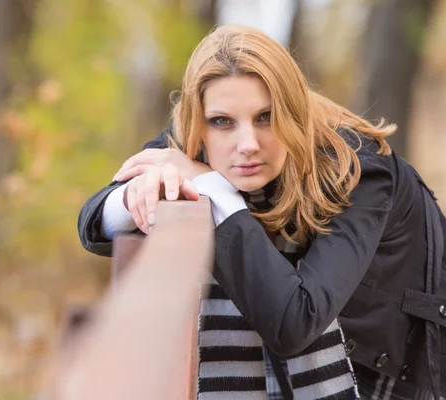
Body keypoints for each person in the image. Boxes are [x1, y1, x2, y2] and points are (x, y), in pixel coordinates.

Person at [77, 24, 446, 400]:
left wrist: (219, 194)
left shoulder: (358, 171)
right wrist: (132, 197)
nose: (247, 144)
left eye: (266, 117)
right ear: (198, 122)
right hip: (286, 369)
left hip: (389, 375)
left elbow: (295, 323)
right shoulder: (194, 136)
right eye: (223, 122)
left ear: (293, 111)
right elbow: (93, 222)